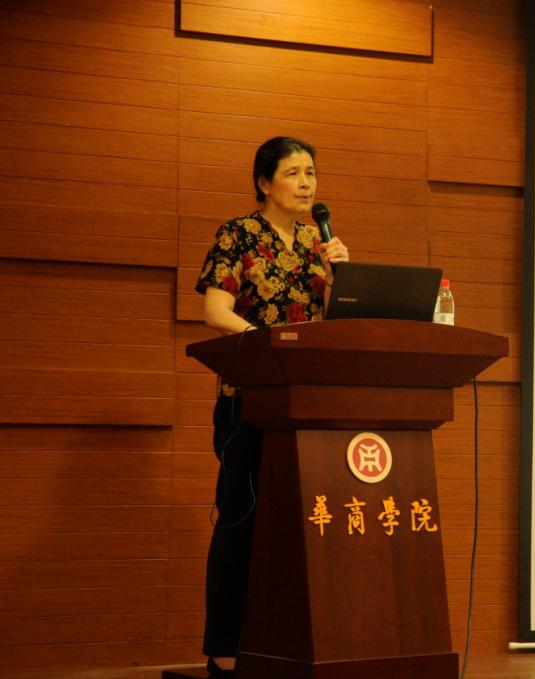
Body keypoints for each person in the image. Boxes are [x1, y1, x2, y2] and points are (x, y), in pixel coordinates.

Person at [193, 136, 348, 676]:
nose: (306, 184)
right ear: (264, 182)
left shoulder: (317, 242)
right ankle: (225, 649)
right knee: (242, 518)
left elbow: (334, 322)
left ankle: (288, 642)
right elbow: (216, 312)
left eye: (312, 173)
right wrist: (270, 346)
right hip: (251, 402)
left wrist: (339, 277)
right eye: (293, 173)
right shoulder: (238, 234)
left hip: (306, 404)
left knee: (302, 527)